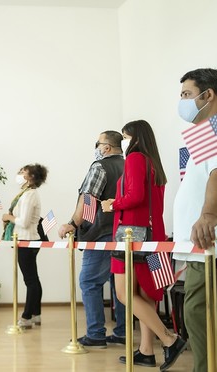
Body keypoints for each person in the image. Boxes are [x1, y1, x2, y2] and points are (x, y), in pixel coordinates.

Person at [101, 120, 186, 370]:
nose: (124, 141)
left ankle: (170, 339)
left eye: (125, 136)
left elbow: (135, 196)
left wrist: (113, 204)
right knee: (146, 295)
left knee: (124, 293)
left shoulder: (136, 158)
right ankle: (146, 351)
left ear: (135, 138)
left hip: (132, 235)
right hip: (152, 234)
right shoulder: (154, 162)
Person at [58, 130, 126, 348]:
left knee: (89, 282)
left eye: (98, 143)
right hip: (124, 231)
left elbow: (89, 200)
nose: (96, 147)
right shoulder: (127, 165)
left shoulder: (100, 166)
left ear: (106, 147)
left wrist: (73, 223)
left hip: (101, 233)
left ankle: (96, 334)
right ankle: (123, 331)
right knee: (119, 283)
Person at [173, 68, 217, 372]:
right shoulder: (202, 133)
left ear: (208, 95)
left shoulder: (214, 128)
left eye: (187, 95)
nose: (183, 102)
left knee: (198, 311)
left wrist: (209, 214)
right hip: (197, 244)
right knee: (198, 312)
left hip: (208, 242)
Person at [2, 163, 48, 328]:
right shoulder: (26, 193)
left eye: (23, 172)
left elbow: (24, 221)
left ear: (32, 177)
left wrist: (8, 217)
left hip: (27, 240)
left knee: (30, 280)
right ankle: (36, 314)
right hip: (26, 239)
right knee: (33, 278)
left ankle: (26, 317)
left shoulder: (29, 195)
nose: (19, 174)